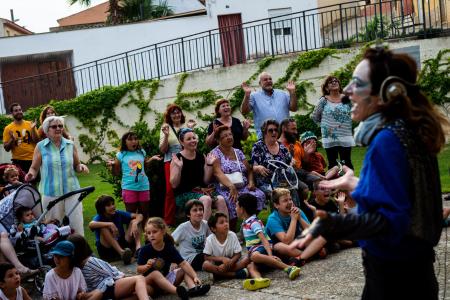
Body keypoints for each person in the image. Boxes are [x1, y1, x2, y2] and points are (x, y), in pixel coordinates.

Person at [298, 47, 449, 299]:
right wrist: (357, 183)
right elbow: (403, 199)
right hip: (416, 275)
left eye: (356, 84)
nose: (347, 92)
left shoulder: (387, 141)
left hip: (393, 280)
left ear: (386, 93)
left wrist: (332, 224)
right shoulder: (410, 132)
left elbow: (391, 222)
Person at [24, 116, 89, 235]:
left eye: (60, 126)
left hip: (72, 191)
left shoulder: (70, 144)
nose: (58, 128)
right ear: (46, 130)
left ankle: (80, 251)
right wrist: (30, 174)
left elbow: (76, 165)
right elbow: (34, 168)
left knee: (76, 224)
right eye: (54, 126)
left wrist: (81, 167)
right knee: (54, 228)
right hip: (50, 193)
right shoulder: (41, 146)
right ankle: (58, 253)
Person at [236, 194, 301, 291]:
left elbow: (264, 240)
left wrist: (270, 255)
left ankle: (289, 268)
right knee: (250, 266)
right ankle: (259, 280)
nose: (235, 208)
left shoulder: (253, 223)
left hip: (263, 248)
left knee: (254, 256)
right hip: (257, 251)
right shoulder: (246, 223)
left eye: (237, 206)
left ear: (242, 208)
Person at [137, 217, 210, 299]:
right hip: (151, 284)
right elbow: (139, 269)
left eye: (154, 232)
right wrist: (147, 266)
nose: (151, 235)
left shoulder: (169, 248)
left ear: (163, 231)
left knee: (184, 269)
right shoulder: (145, 250)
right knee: (153, 276)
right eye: (148, 233)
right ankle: (177, 292)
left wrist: (195, 276)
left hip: (166, 281)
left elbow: (183, 263)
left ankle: (193, 288)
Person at [211, 126, 265, 231]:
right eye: (224, 136)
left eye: (230, 134)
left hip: (242, 186)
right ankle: (232, 230)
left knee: (259, 195)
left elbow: (249, 170)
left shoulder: (238, 152)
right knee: (232, 200)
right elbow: (217, 173)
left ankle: (246, 226)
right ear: (218, 140)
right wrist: (231, 186)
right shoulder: (215, 153)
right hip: (225, 188)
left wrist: (251, 182)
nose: (229, 137)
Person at [68, 234, 151, 300]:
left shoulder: (76, 267)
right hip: (108, 288)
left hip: (100, 293)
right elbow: (111, 273)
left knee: (139, 293)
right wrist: (124, 276)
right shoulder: (90, 261)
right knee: (139, 279)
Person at [170, 128, 227, 221]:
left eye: (194, 138)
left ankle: (224, 230)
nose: (193, 141)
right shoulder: (177, 159)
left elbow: (205, 181)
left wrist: (209, 165)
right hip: (184, 194)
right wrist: (179, 168)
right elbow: (174, 184)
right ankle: (203, 232)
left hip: (200, 191)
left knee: (220, 199)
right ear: (182, 142)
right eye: (189, 139)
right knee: (206, 199)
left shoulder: (201, 156)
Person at [108, 131, 161, 224]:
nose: (134, 141)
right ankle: (131, 237)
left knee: (145, 214)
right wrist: (112, 166)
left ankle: (147, 235)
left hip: (144, 186)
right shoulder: (120, 155)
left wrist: (151, 159)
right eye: (130, 139)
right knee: (131, 216)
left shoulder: (141, 152)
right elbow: (115, 173)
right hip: (129, 188)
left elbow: (145, 165)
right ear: (125, 141)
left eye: (136, 139)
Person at [159, 104, 194, 226]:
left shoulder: (186, 128)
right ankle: (168, 221)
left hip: (187, 161)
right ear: (169, 116)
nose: (176, 115)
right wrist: (167, 136)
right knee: (170, 191)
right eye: (173, 113)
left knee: (188, 188)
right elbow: (163, 150)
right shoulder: (165, 128)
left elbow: (192, 144)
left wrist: (191, 129)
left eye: (178, 112)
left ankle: (190, 217)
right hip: (171, 161)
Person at [311, 76, 355, 170]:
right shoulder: (323, 100)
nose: (334, 82)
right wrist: (324, 126)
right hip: (329, 137)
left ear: (339, 85)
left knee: (347, 163)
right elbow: (315, 117)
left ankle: (349, 184)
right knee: (333, 165)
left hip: (345, 135)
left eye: (336, 81)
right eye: (331, 82)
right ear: (326, 87)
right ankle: (334, 184)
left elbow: (355, 112)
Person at [241, 72, 298, 138]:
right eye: (265, 80)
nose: (268, 81)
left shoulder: (283, 94)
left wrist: (292, 93)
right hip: (265, 137)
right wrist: (247, 95)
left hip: (284, 135)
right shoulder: (254, 96)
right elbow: (244, 111)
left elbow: (294, 109)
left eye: (270, 79)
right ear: (260, 83)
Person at [89, 195, 143, 265]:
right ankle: (122, 253)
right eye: (108, 205)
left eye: (113, 204)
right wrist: (110, 224)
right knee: (103, 228)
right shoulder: (99, 217)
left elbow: (139, 215)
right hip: (107, 248)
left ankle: (138, 249)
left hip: (122, 242)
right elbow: (91, 224)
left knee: (134, 221)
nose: (112, 207)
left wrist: (135, 222)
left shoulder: (118, 213)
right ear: (102, 208)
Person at [202, 212, 251, 279]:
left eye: (226, 221)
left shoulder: (232, 235)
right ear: (213, 228)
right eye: (222, 222)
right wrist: (222, 259)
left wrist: (230, 262)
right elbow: (206, 257)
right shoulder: (210, 239)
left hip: (232, 263)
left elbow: (238, 254)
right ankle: (234, 275)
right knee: (205, 265)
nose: (226, 224)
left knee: (247, 259)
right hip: (217, 265)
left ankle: (219, 275)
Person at [251, 119, 291, 194]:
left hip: (282, 181)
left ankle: (293, 206)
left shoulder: (282, 146)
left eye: (276, 130)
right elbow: (253, 167)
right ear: (265, 132)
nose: (274, 132)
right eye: (270, 130)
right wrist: (258, 168)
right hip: (266, 182)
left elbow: (290, 163)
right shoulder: (258, 146)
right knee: (279, 194)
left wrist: (292, 162)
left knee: (292, 189)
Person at [172, 200, 211, 271]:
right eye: (195, 210)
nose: (199, 212)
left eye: (200, 209)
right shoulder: (183, 227)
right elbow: (170, 242)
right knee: (207, 258)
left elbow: (212, 239)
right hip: (188, 259)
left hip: (202, 255)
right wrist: (174, 260)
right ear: (188, 214)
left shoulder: (205, 224)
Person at [2, 103, 39, 174]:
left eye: (20, 110)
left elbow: (36, 141)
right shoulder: (8, 128)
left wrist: (33, 129)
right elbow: (6, 148)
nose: (19, 112)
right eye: (16, 110)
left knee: (34, 183)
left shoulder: (30, 124)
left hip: (32, 159)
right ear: (12, 113)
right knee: (21, 184)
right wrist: (12, 139)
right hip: (17, 161)